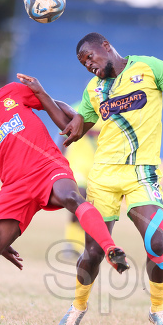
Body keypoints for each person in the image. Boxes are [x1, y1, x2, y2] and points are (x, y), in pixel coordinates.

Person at [18, 33, 163, 325]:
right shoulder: (94, 89)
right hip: (103, 176)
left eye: (89, 57)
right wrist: (41, 94)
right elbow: (73, 128)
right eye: (83, 64)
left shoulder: (151, 67)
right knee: (93, 251)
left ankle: (158, 310)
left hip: (142, 174)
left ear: (105, 45)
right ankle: (77, 307)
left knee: (157, 244)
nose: (89, 65)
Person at [0, 67, 130, 325]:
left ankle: (111, 249)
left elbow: (53, 104)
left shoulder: (12, 92)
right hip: (15, 188)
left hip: (48, 165)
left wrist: (75, 120)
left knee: (71, 197)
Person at [60, 103, 102, 256]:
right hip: (77, 164)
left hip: (98, 168)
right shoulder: (76, 110)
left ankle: (83, 246)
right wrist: (59, 160)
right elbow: (64, 136)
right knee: (79, 199)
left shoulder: (110, 113)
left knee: (93, 208)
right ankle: (71, 244)